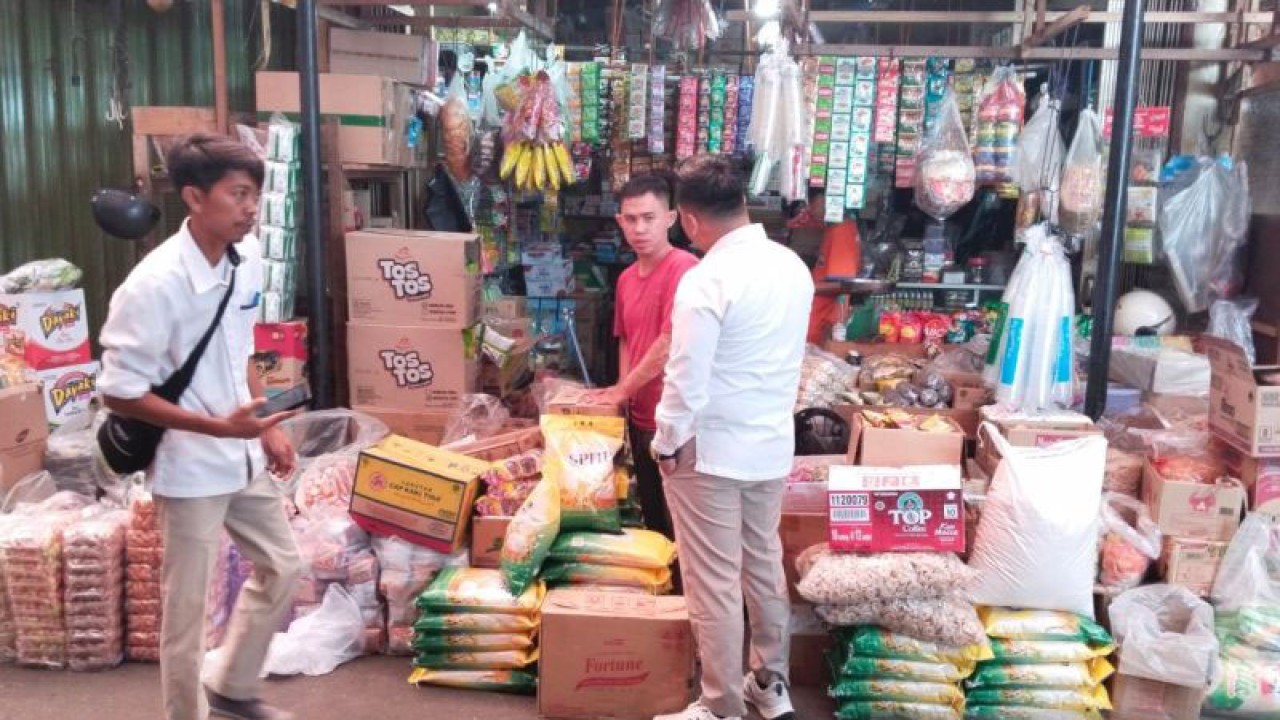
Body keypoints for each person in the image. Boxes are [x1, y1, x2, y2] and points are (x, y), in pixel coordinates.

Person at [98, 135, 302, 720]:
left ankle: (233, 689)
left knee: (284, 567)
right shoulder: (152, 286)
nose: (249, 208)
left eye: (254, 195)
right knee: (186, 610)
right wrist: (216, 427)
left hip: (241, 457)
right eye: (237, 194)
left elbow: (243, 344)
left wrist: (262, 421)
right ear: (194, 196)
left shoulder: (250, 256)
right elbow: (119, 391)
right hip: (189, 467)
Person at [652, 155, 814, 720]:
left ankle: (719, 706)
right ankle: (769, 687)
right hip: (769, 447)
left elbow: (686, 376)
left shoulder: (707, 280)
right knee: (763, 566)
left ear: (689, 221)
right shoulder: (793, 266)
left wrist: (666, 441)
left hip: (711, 453)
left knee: (714, 582)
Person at [589, 173, 698, 541]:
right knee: (652, 516)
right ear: (619, 221)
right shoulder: (624, 279)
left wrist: (620, 392)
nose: (639, 228)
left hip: (675, 419)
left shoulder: (684, 268)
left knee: (679, 522)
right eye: (631, 219)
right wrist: (624, 396)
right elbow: (626, 341)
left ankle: (688, 596)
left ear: (671, 218)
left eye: (649, 218)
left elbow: (669, 342)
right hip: (640, 416)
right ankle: (662, 594)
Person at [788, 188, 862, 344]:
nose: (811, 209)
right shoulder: (833, 229)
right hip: (816, 325)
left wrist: (802, 286)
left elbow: (843, 285)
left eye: (812, 202)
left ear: (826, 199)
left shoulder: (842, 231)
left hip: (823, 328)